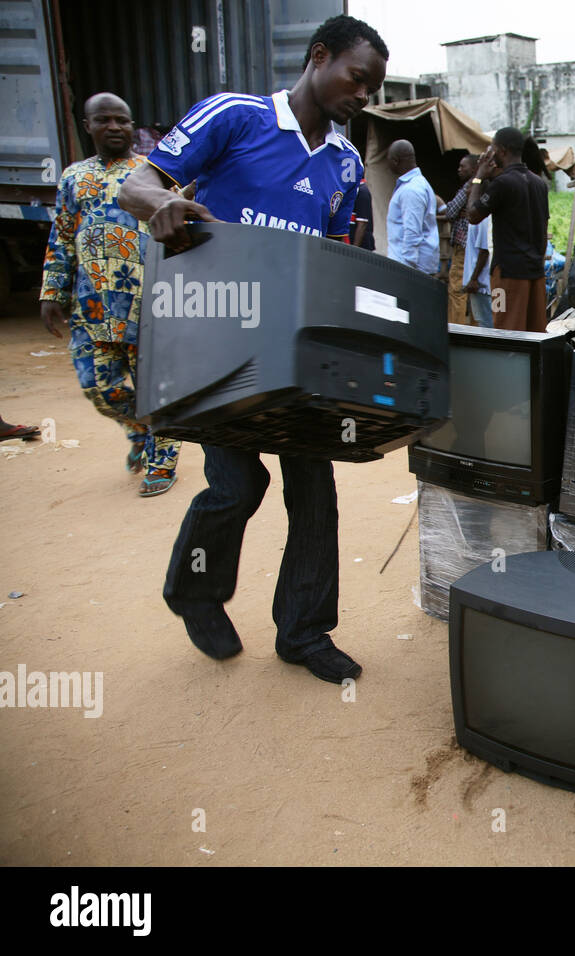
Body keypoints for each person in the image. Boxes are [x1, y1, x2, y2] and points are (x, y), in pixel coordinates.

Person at [119, 14, 388, 683]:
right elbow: (138, 184)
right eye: (358, 78)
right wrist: (162, 206)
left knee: (314, 492)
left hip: (296, 353)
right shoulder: (236, 117)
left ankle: (303, 633)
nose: (364, 95)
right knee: (239, 484)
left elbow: (335, 256)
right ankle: (196, 591)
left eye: (373, 87)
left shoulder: (346, 162)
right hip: (219, 343)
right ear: (320, 57)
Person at [40, 92, 182, 496]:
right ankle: (140, 431)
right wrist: (51, 291)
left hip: (148, 302)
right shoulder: (73, 177)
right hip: (92, 306)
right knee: (98, 388)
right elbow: (63, 237)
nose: (115, 127)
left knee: (158, 387)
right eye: (105, 120)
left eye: (122, 120)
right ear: (89, 126)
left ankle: (162, 460)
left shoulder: (153, 173)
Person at [465, 127, 549, 332]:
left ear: (501, 150)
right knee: (535, 334)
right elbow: (544, 229)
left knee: (505, 332)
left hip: (508, 275)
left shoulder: (502, 183)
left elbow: (472, 215)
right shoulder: (539, 184)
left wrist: (479, 177)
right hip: (535, 273)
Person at [384, 139, 439, 274]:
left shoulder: (412, 189)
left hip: (410, 268)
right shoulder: (417, 184)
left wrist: (407, 270)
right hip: (413, 266)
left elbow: (412, 232)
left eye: (388, 159)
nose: (387, 164)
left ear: (396, 161)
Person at [437, 153, 478, 323]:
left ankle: (456, 328)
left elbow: (451, 211)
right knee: (478, 291)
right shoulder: (484, 186)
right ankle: (479, 330)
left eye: (463, 166)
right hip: (477, 247)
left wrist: (454, 209)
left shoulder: (468, 187)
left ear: (474, 169)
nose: (459, 170)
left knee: (457, 289)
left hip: (462, 246)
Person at [463, 211, 492, 328]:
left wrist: (474, 279)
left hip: (483, 285)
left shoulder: (484, 218)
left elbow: (484, 251)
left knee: (487, 324)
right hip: (485, 284)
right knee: (486, 322)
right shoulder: (481, 217)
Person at [350, 176, 375, 250]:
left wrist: (353, 250)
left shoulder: (362, 191)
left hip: (361, 249)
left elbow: (362, 224)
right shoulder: (352, 189)